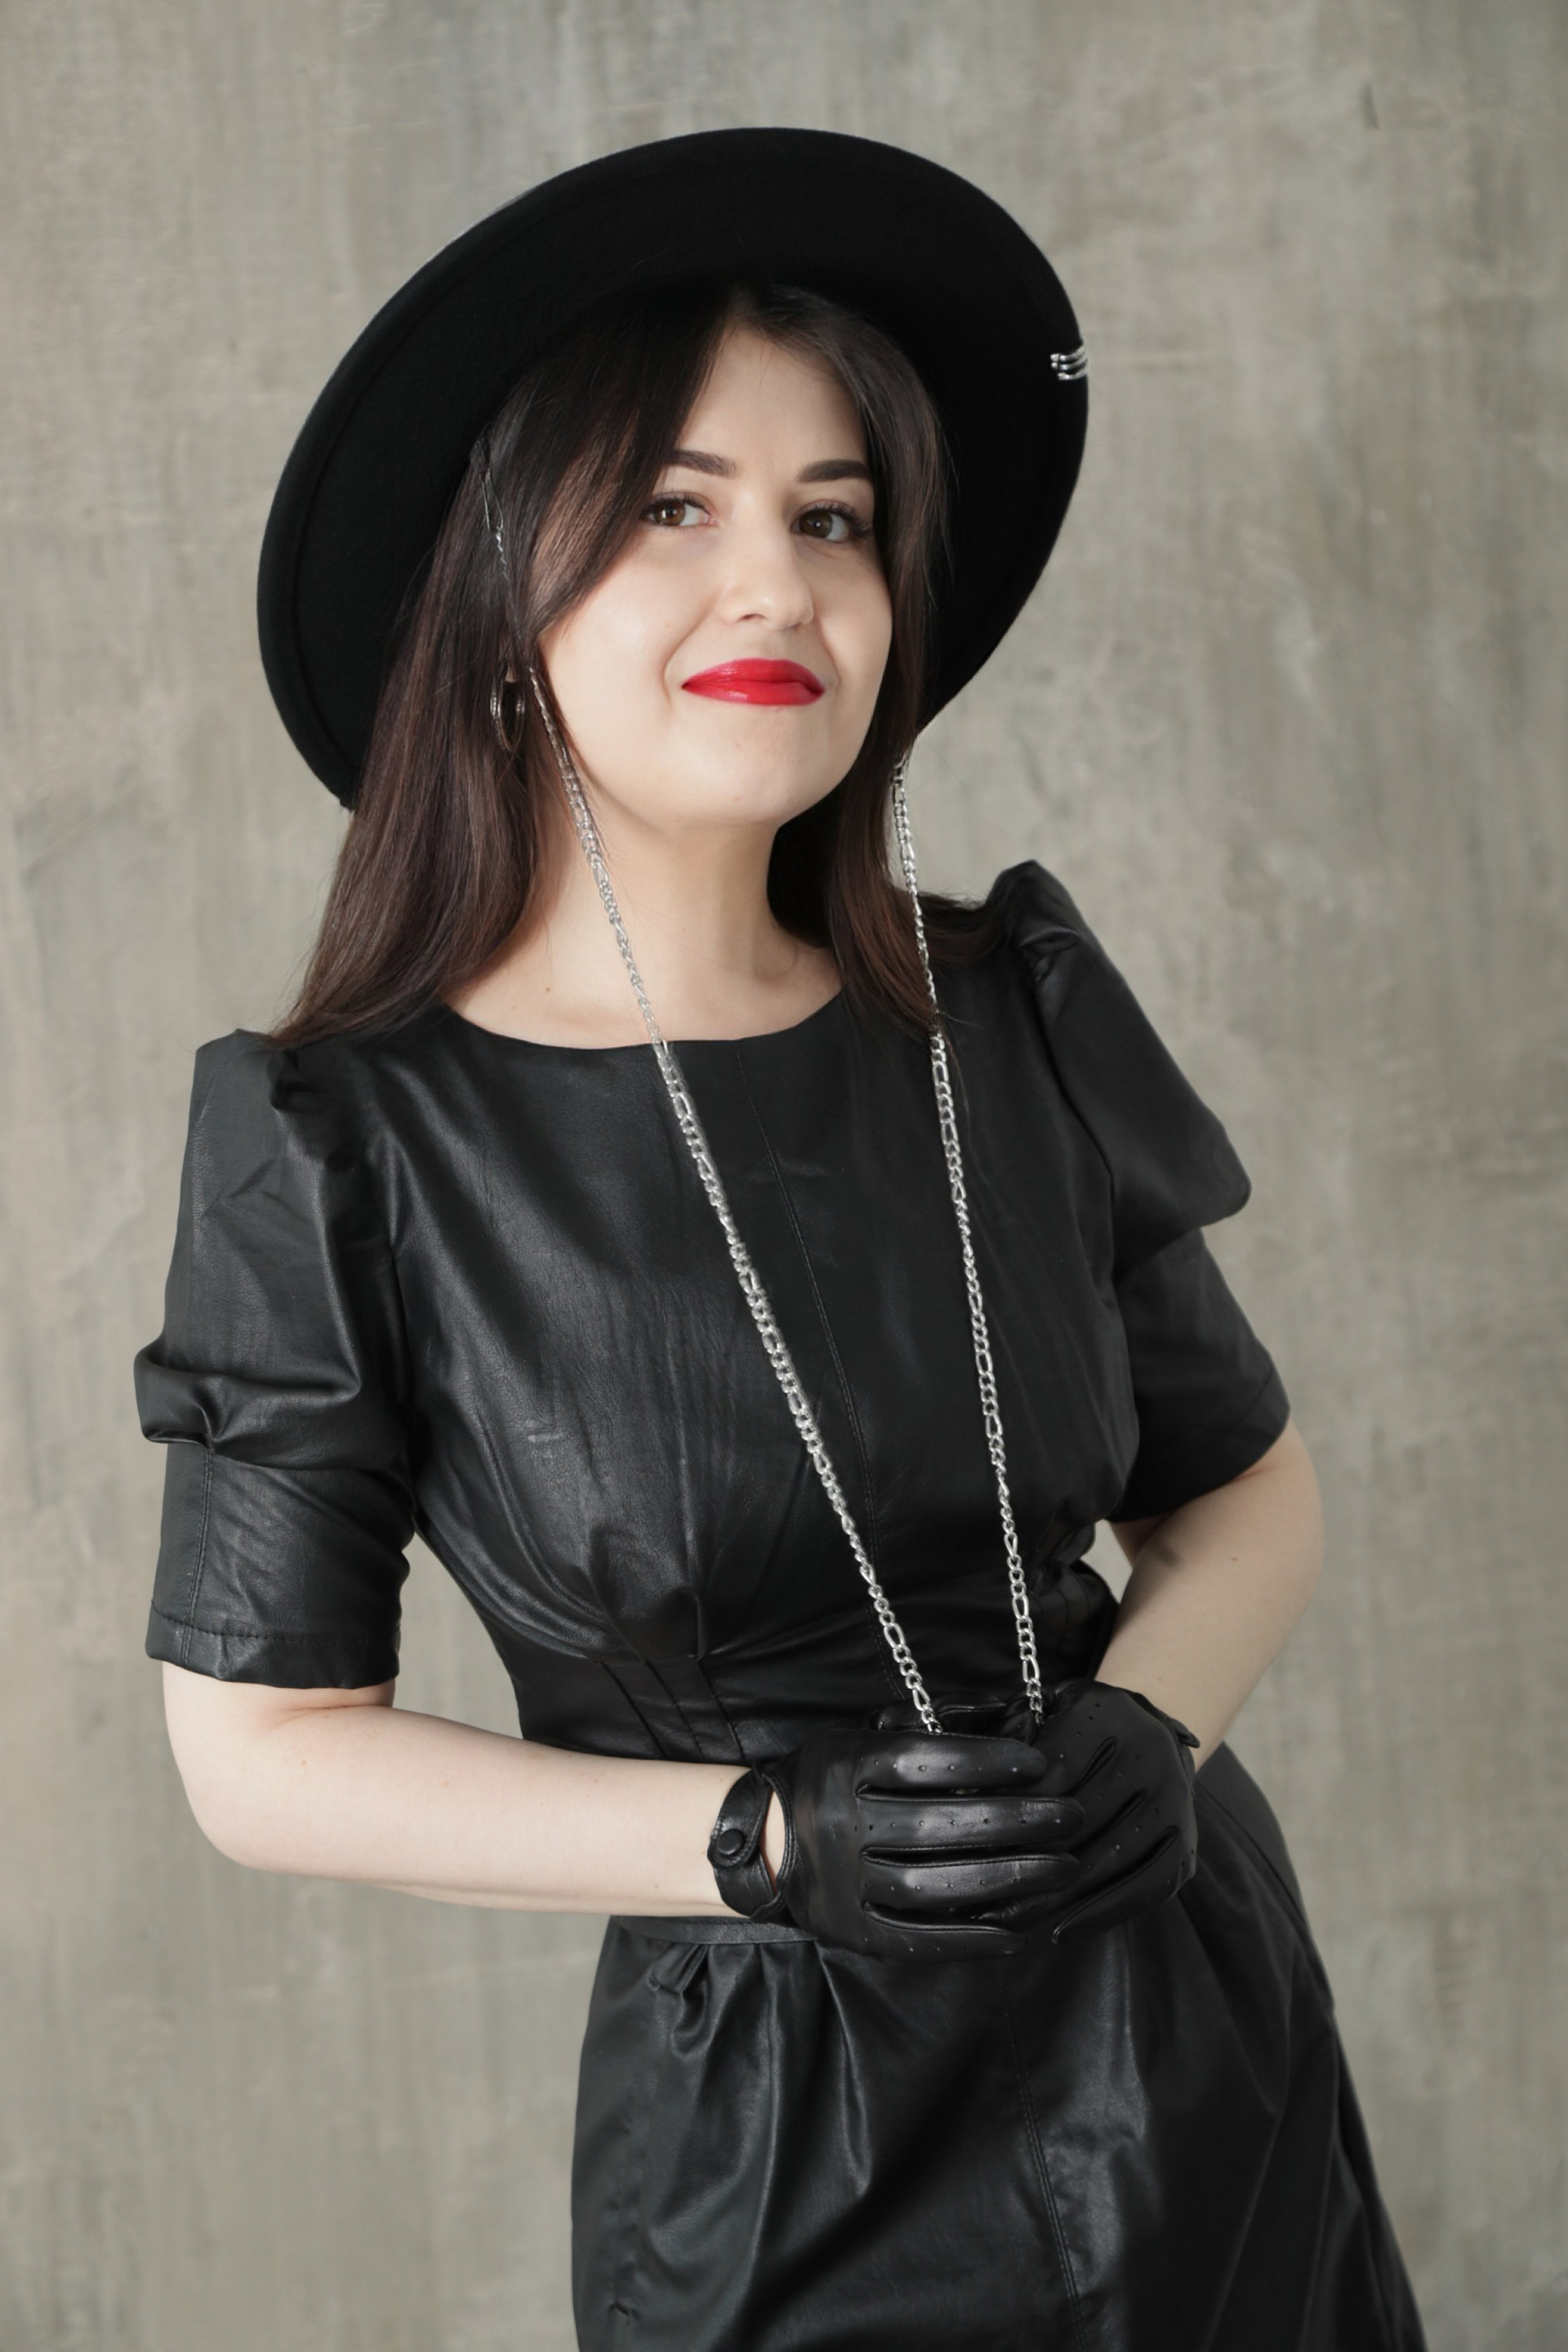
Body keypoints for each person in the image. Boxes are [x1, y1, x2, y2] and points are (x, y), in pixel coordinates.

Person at [136, 130, 1425, 2350]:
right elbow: (261, 1754)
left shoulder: (1004, 1013)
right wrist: (756, 1841)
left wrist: (1161, 1729)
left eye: (834, 519)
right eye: (674, 507)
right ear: (499, 590)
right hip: (779, 2140)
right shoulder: (341, 1138)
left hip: (1196, 2049)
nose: (777, 587)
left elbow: (1247, 1490)